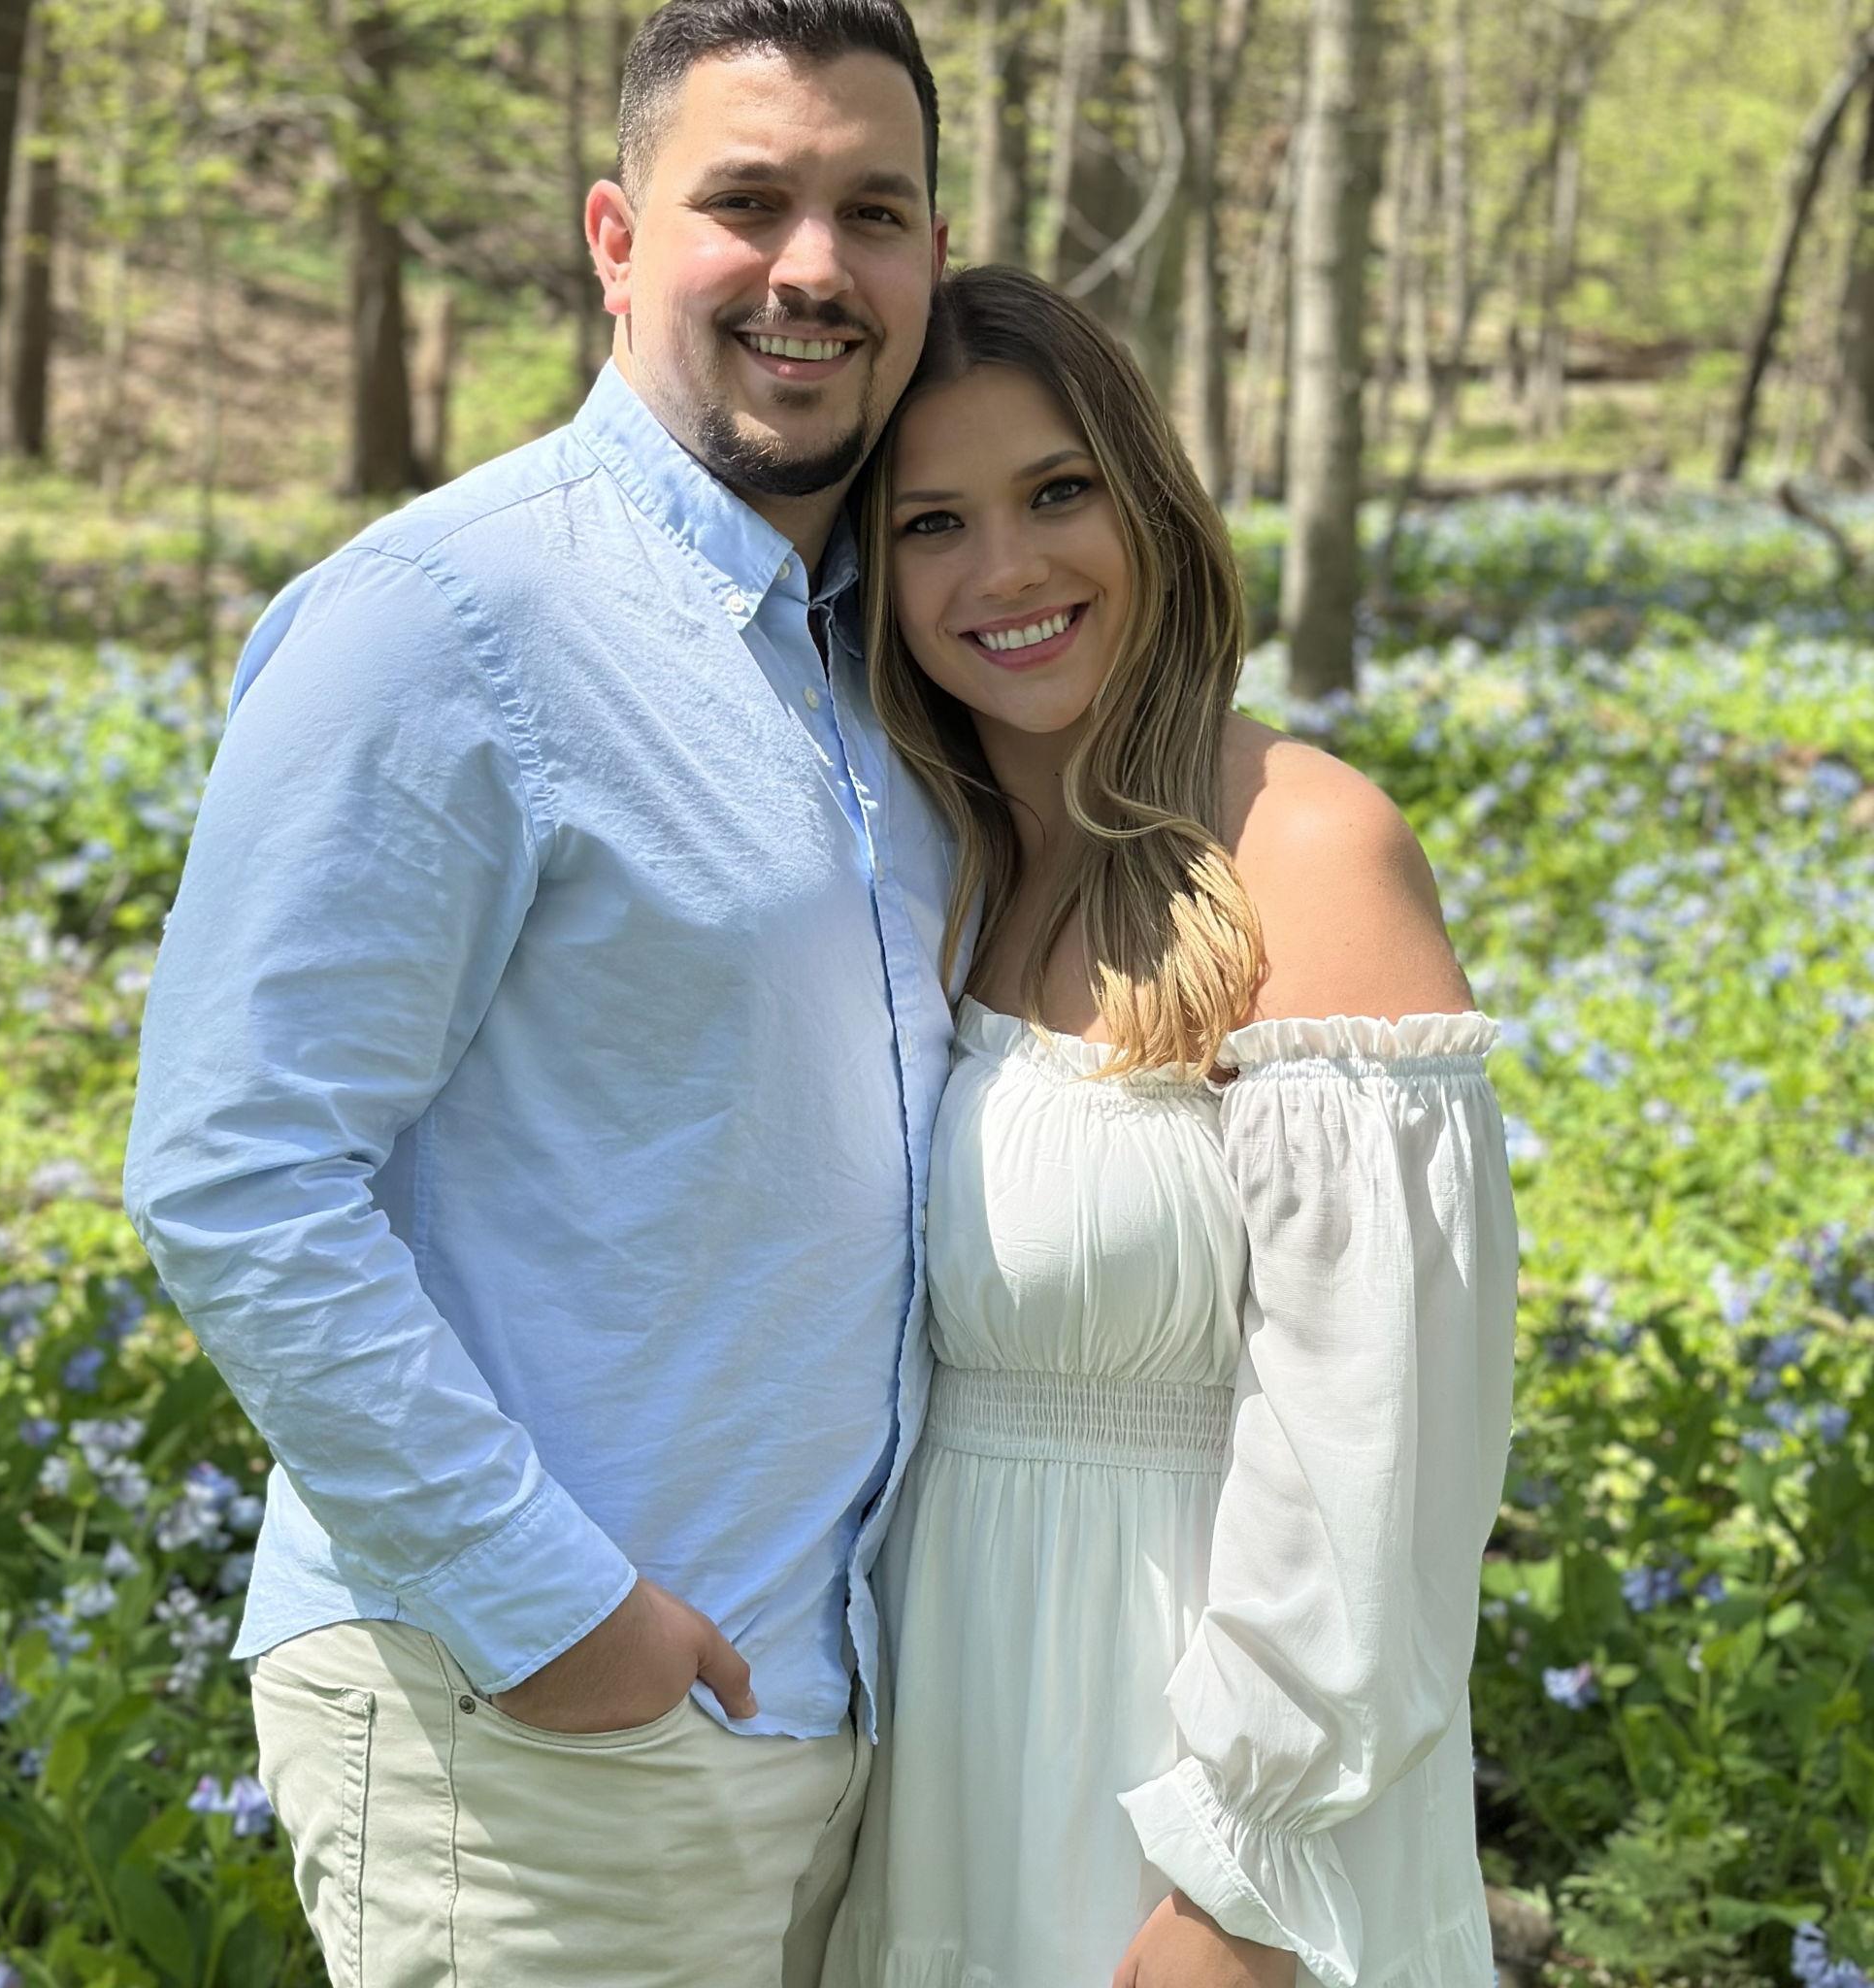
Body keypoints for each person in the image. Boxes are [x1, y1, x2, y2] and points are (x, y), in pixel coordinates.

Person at [120, 4, 953, 1982]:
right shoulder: (449, 620)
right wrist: (554, 1611)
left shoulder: (883, 659)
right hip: (539, 1735)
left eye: (874, 210)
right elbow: (236, 1168)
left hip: (834, 1723)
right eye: (743, 202)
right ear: (612, 235)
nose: (811, 268)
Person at [821, 265, 1521, 1988]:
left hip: (1191, 1779)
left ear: (1149, 497)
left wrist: (1238, 1883)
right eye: (932, 523)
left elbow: (1385, 1447)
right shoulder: (946, 871)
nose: (1009, 569)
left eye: (1058, 491)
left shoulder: (1304, 850)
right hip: (944, 1730)